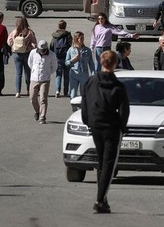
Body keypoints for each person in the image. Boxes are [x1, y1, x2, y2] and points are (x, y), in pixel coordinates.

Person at [81, 50, 129, 214]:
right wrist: (123, 127)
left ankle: (103, 198)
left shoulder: (91, 81)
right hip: (111, 127)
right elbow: (124, 110)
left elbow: (84, 103)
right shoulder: (118, 86)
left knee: (101, 161)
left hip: (95, 125)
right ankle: (100, 200)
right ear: (115, 64)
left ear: (101, 62)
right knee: (109, 163)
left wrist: (87, 121)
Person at [7, 16, 37, 98]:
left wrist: (14, 44)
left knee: (18, 73)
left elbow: (9, 42)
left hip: (16, 53)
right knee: (27, 73)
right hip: (26, 53)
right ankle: (28, 90)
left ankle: (18, 92)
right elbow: (34, 44)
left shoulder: (14, 32)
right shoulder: (30, 32)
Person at [28, 39, 55, 124]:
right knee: (32, 97)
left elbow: (54, 66)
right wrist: (34, 70)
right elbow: (30, 62)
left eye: (43, 51)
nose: (42, 52)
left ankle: (42, 116)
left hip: (45, 79)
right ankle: (37, 111)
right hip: (34, 78)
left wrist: (48, 73)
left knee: (43, 98)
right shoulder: (33, 52)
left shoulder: (52, 55)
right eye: (40, 51)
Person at [66, 32, 93, 98]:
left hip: (84, 74)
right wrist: (73, 60)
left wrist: (93, 74)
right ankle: (74, 108)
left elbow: (91, 64)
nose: (82, 40)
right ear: (76, 39)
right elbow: (66, 63)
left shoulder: (87, 50)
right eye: (80, 38)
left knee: (83, 94)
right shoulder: (71, 50)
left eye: (83, 38)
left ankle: (83, 108)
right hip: (74, 74)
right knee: (72, 94)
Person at [51, 20, 73, 98]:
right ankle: (66, 91)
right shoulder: (68, 35)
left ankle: (57, 91)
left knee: (58, 75)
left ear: (58, 26)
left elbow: (52, 46)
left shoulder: (54, 35)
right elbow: (72, 45)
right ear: (65, 26)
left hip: (57, 58)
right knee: (66, 75)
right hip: (66, 57)